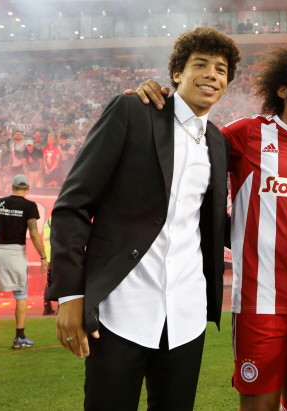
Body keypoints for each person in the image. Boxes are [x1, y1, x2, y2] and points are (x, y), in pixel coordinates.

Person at [128, 42, 287, 411]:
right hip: (261, 302)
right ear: (282, 89)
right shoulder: (247, 134)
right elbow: (186, 141)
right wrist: (151, 102)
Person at [45, 27, 239, 411]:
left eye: (221, 70)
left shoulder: (217, 142)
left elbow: (213, 224)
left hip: (186, 314)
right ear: (177, 73)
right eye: (200, 64)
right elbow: (73, 205)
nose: (211, 75)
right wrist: (69, 294)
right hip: (120, 307)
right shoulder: (133, 111)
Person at [0, 174, 48, 349]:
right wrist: (43, 256)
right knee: (20, 296)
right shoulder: (30, 206)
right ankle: (19, 337)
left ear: (12, 187)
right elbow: (33, 232)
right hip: (14, 255)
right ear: (28, 188)